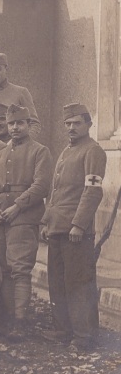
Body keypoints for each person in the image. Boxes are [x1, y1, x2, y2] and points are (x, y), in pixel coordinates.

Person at [0, 104, 52, 341]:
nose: (14, 127)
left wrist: (17, 206)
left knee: (20, 270)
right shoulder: (0, 154)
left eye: (19, 123)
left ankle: (20, 321)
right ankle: (9, 318)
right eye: (11, 123)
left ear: (28, 125)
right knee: (3, 270)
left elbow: (41, 185)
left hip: (23, 218)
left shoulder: (40, 151)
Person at [40, 103, 107, 351]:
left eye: (77, 123)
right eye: (68, 123)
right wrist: (47, 222)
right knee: (57, 281)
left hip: (76, 231)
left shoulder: (93, 151)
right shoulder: (66, 151)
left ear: (88, 125)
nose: (71, 127)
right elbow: (55, 192)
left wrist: (79, 225)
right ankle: (63, 329)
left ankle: (84, 335)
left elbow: (92, 191)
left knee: (78, 282)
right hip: (58, 227)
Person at [0, 53, 41, 139]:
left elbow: (34, 123)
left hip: (14, 146)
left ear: (6, 69)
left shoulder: (21, 92)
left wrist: (24, 144)